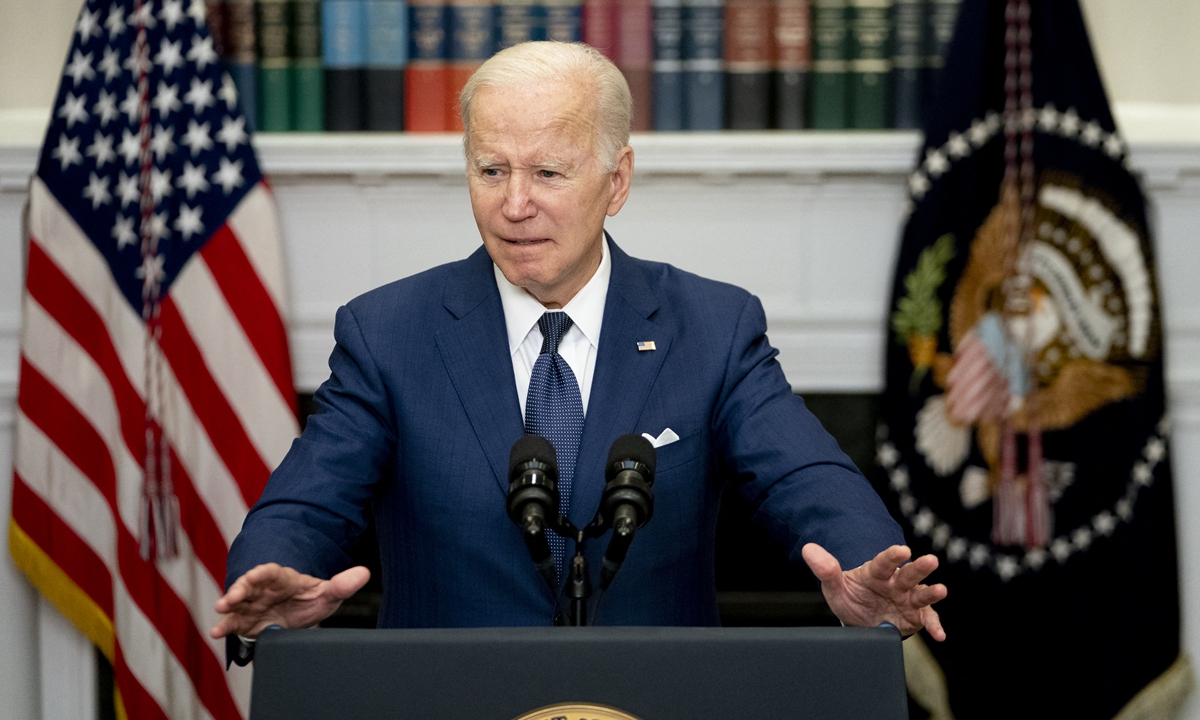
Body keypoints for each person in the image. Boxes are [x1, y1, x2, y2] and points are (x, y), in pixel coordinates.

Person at [212, 41, 946, 643]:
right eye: (490, 169)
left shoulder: (711, 327)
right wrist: (271, 571)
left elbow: (804, 476)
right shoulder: (388, 333)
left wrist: (865, 565)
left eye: (548, 172)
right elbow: (309, 503)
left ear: (616, 181)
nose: (514, 204)